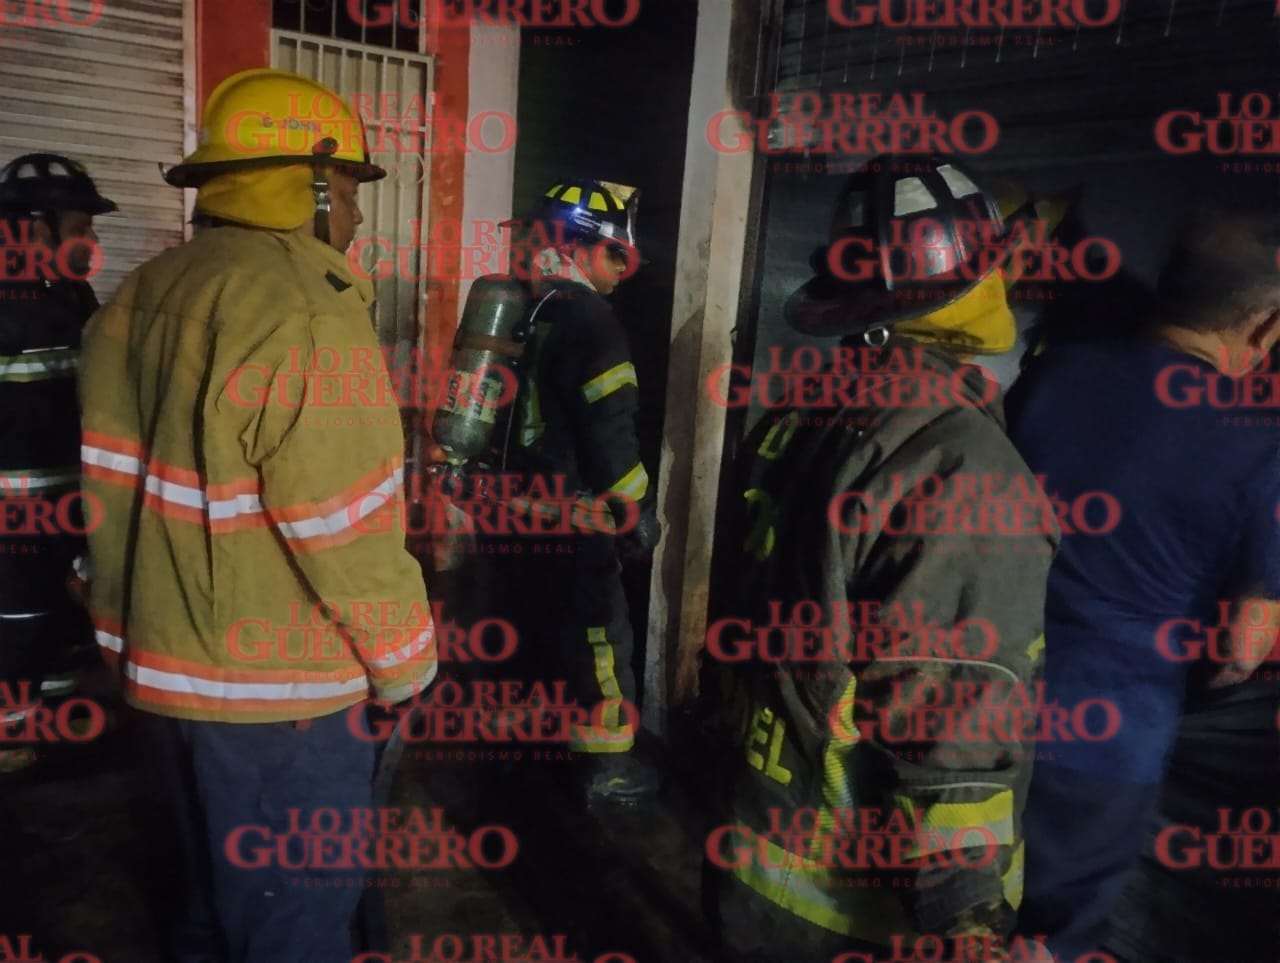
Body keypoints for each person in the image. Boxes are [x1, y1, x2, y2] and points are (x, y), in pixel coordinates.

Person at [78, 68, 437, 963]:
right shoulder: (305, 311)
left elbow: (112, 488)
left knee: (205, 903)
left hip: (162, 670)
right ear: (307, 185)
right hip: (278, 692)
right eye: (347, 189)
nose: (356, 215)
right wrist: (406, 662)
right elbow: (340, 520)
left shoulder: (141, 293)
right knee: (292, 924)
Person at [702, 155, 1058, 963]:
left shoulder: (803, 409)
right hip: (857, 913)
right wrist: (970, 925)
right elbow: (951, 712)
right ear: (979, 282)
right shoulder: (960, 465)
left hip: (752, 856)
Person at [1007, 204, 1280, 961]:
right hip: (1108, 744)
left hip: (985, 705)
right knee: (1050, 938)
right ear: (1265, 327)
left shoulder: (1053, 375)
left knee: (956, 905)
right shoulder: (1262, 442)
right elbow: (1241, 647)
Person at [493, 178, 661, 805]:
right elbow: (610, 428)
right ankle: (607, 769)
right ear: (580, 248)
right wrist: (636, 510)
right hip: (574, 516)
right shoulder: (593, 321)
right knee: (598, 636)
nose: (624, 268)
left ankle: (517, 761)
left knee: (527, 628)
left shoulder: (526, 309)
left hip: (511, 512)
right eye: (616, 254)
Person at [0, 153, 115, 772]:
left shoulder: (72, 293)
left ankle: (51, 716)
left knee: (62, 618)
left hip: (68, 497)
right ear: (36, 229)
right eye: (81, 228)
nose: (92, 242)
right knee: (16, 620)